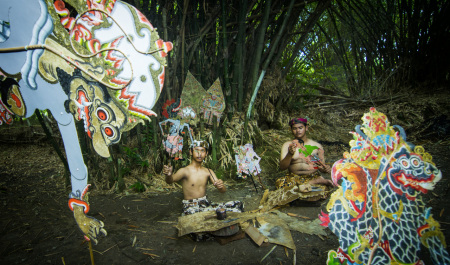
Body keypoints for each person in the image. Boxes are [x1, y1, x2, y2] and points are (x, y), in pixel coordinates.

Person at [163, 140, 243, 216]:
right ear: (191, 152)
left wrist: (221, 186)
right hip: (191, 207)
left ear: (206, 153)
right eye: (196, 150)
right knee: (213, 213)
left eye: (202, 151)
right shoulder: (185, 171)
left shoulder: (208, 171)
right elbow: (170, 181)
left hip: (205, 204)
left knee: (238, 204)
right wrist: (169, 175)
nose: (199, 154)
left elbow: (222, 191)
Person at [277, 117, 335, 193]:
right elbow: (282, 167)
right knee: (280, 184)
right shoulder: (287, 145)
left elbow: (321, 167)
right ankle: (316, 182)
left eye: (300, 128)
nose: (298, 131)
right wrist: (289, 154)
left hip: (312, 176)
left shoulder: (317, 146)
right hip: (293, 178)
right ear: (291, 130)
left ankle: (313, 182)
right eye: (294, 128)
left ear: (306, 128)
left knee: (321, 191)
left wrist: (325, 169)